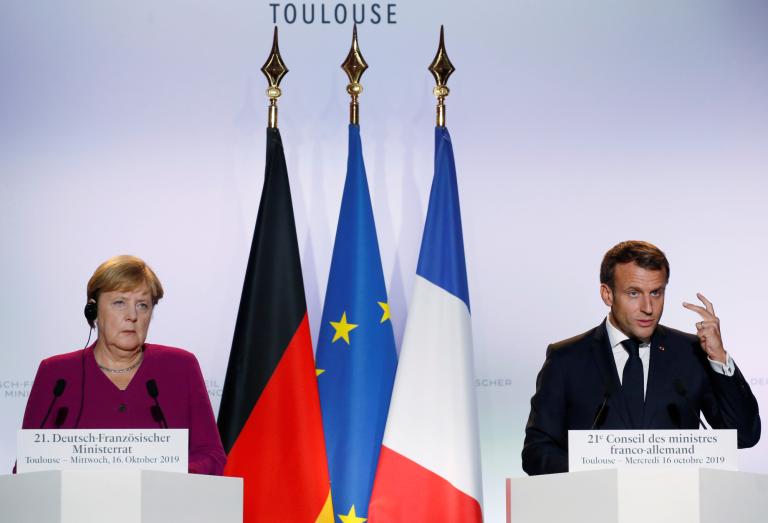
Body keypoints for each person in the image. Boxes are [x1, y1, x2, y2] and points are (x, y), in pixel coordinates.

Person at [522, 241, 760, 475]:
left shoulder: (691, 353)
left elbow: (743, 435)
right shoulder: (567, 359)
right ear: (607, 294)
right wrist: (591, 474)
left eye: (656, 293)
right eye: (634, 293)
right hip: (596, 508)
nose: (648, 307)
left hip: (677, 508)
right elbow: (536, 452)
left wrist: (718, 357)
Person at [20, 255, 226, 475]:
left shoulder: (181, 367)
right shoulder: (56, 374)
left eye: (143, 305)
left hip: (162, 504)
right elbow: (26, 465)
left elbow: (211, 456)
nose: (132, 316)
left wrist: (167, 475)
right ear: (93, 310)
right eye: (120, 302)